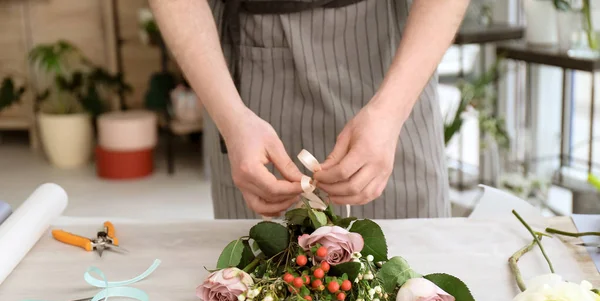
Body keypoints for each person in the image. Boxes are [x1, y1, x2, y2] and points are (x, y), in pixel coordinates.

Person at [149, 0, 470, 219]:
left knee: (415, 286)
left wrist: (390, 111)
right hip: (247, 74)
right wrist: (232, 119)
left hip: (394, 64)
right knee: (262, 288)